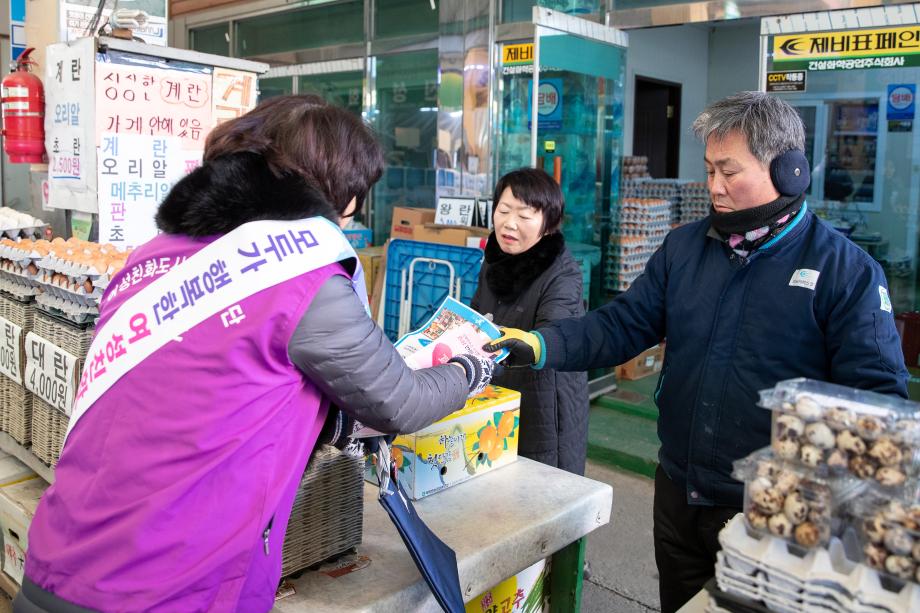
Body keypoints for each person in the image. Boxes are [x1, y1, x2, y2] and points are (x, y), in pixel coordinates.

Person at [16, 95, 494, 613]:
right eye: (358, 193)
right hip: (169, 587)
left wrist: (328, 423)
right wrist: (472, 366)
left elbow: (214, 392)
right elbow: (400, 402)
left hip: (56, 563)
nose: (356, 209)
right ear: (338, 188)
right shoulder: (301, 275)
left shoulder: (150, 259)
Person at [485, 91, 908, 612]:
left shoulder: (846, 273)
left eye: (730, 172)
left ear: (790, 170)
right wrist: (543, 344)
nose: (714, 187)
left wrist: (810, 507)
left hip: (770, 518)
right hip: (679, 494)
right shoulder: (684, 248)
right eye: (709, 170)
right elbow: (623, 324)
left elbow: (876, 402)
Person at [471, 168, 589, 474]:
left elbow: (556, 335)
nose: (509, 223)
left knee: (543, 491)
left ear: (548, 225)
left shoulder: (562, 274)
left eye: (525, 216)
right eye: (504, 210)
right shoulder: (495, 259)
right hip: (500, 394)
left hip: (545, 406)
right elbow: (477, 312)